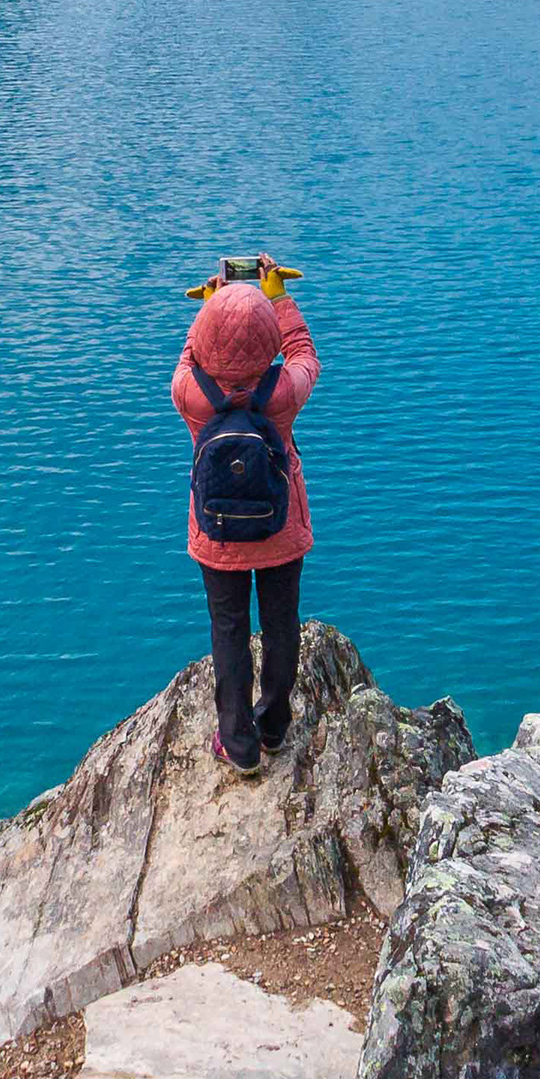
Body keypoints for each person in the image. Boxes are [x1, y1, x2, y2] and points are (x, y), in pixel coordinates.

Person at [173, 274, 318, 775]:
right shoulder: (283, 395)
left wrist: (211, 307)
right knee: (281, 624)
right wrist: (276, 296)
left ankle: (238, 744)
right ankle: (274, 726)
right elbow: (304, 353)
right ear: (268, 343)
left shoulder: (190, 394)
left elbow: (190, 355)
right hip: (279, 529)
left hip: (217, 534)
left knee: (229, 630)